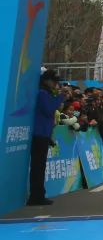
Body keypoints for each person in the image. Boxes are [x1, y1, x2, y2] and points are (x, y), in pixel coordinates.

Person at [28, 70, 69, 205]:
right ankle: (36, 196)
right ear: (46, 80)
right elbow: (48, 109)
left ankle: (38, 194)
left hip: (43, 132)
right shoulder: (42, 93)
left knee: (40, 166)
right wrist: (60, 97)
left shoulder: (46, 93)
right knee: (38, 166)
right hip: (39, 133)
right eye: (54, 81)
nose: (55, 84)